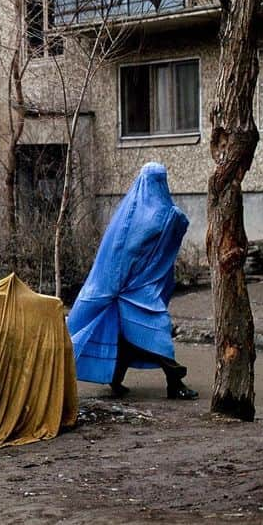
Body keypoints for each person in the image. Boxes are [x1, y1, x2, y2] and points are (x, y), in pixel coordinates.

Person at [67, 162, 198, 400]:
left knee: (127, 338)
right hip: (131, 290)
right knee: (157, 331)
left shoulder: (144, 212)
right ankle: (175, 383)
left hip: (136, 287)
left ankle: (116, 380)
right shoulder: (145, 216)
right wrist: (116, 287)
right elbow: (128, 251)